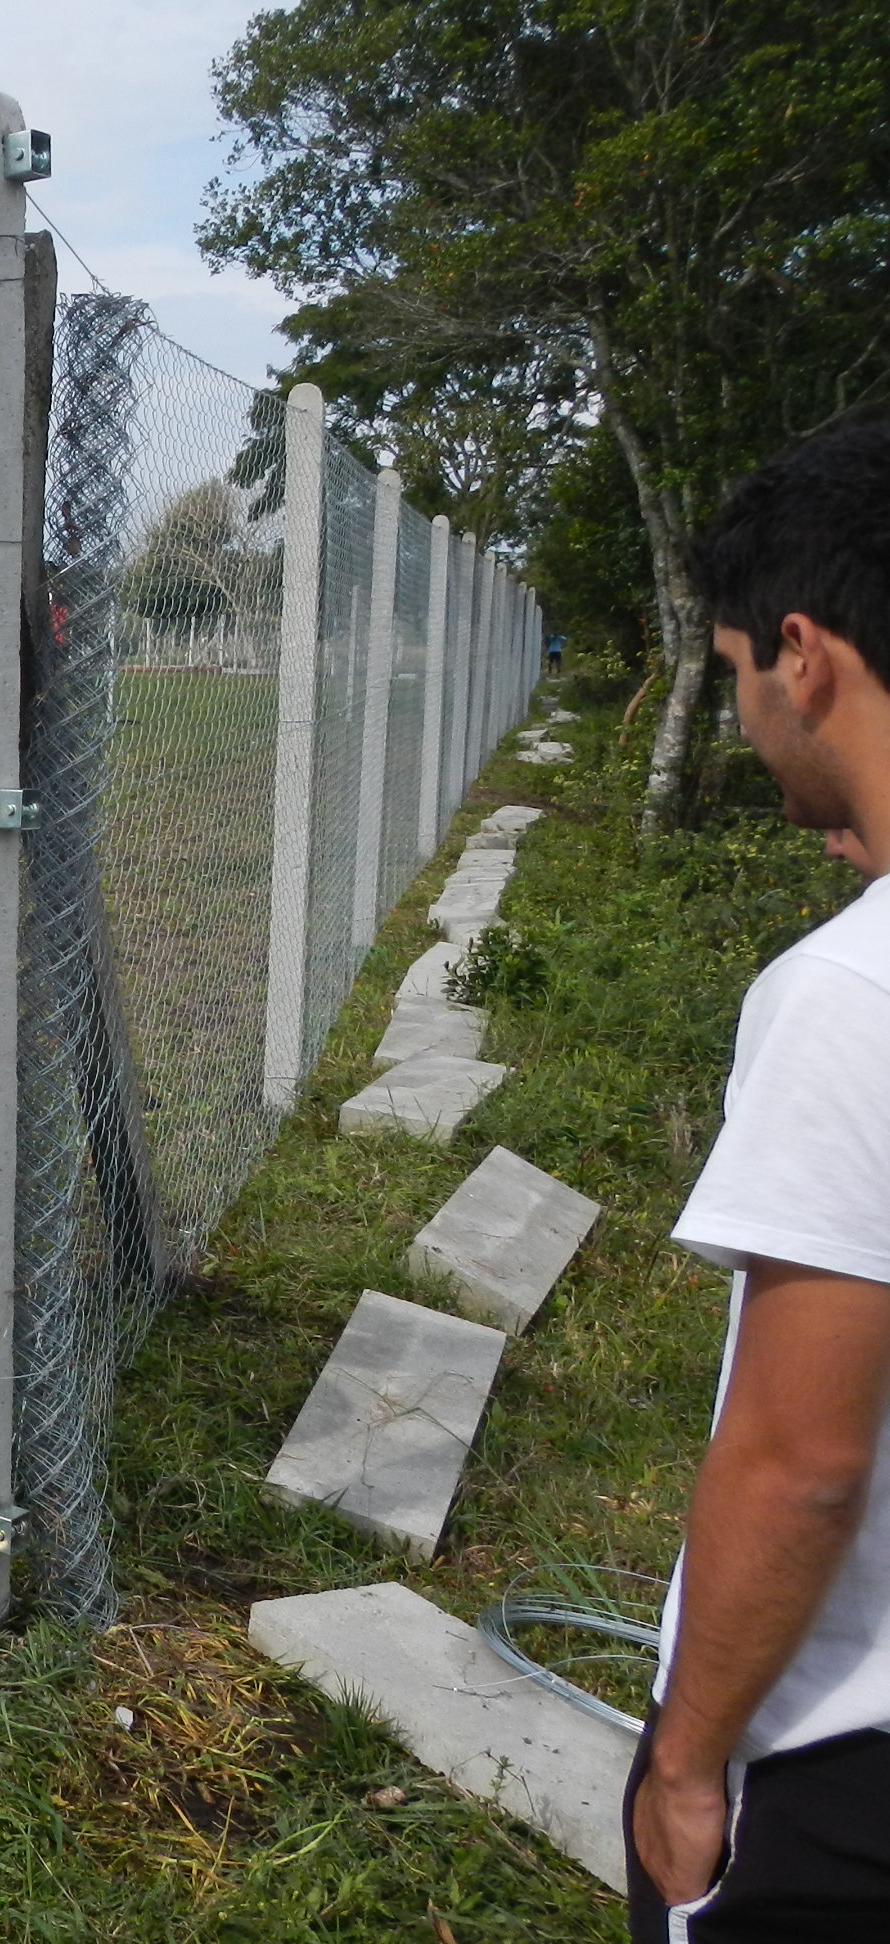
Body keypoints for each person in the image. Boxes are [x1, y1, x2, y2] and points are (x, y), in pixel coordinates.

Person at [624, 412, 890, 1940]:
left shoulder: (850, 996)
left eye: (731, 679)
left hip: (843, 1764)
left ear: (804, 656)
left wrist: (689, 1758)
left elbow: (805, 1462)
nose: (741, 716)